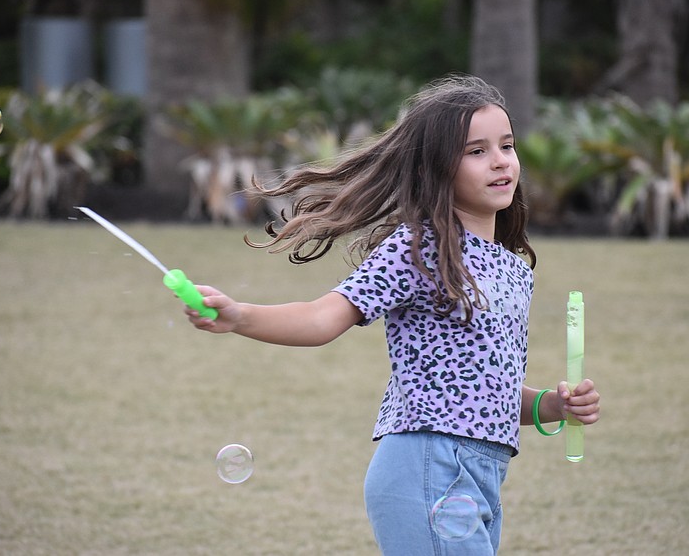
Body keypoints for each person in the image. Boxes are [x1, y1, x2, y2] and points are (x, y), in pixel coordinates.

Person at [183, 74, 601, 555]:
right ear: (435, 169)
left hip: (481, 477)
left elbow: (488, 390)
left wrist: (552, 406)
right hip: (428, 468)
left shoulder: (512, 269)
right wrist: (239, 316)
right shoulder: (418, 248)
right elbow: (323, 318)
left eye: (506, 145)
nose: (501, 161)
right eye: (476, 151)